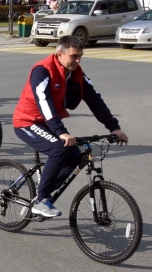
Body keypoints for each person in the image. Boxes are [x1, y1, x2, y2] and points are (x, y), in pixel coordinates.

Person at [13, 35, 128, 218]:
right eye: (74, 56)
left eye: (80, 56)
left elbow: (94, 99)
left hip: (48, 122)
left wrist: (114, 127)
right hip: (27, 121)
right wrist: (61, 132)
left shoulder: (76, 73)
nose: (78, 60)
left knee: (75, 155)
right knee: (59, 148)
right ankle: (41, 200)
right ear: (59, 54)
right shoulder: (42, 70)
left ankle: (42, 195)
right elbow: (44, 102)